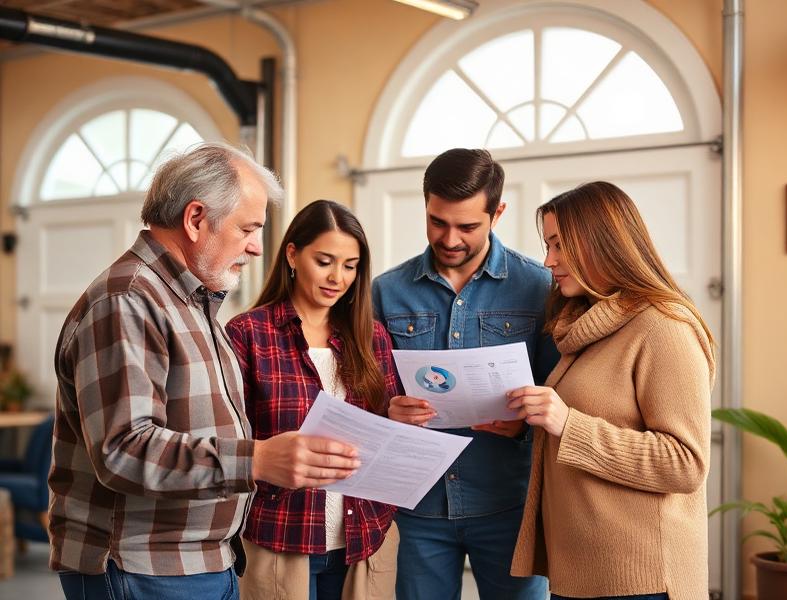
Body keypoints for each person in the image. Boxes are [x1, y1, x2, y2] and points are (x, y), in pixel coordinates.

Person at [49, 143, 362, 600]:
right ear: (196, 219)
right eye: (248, 229)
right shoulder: (129, 300)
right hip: (142, 568)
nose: (257, 247)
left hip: (200, 562)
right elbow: (122, 449)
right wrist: (256, 459)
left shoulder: (191, 301)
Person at [509, 181, 715, 600]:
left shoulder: (664, 326)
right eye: (547, 245)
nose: (548, 261)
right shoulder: (585, 327)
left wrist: (567, 424)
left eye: (559, 245)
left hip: (641, 580)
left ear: (602, 243)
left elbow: (685, 463)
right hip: (584, 574)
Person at [372, 148, 557, 600]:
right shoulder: (386, 291)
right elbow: (367, 391)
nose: (450, 238)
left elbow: (563, 392)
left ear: (498, 213)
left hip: (509, 506)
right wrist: (387, 408)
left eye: (467, 226)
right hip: (417, 509)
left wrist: (523, 428)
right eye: (437, 222)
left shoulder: (540, 286)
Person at [225, 200, 401, 600]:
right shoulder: (247, 334)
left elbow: (384, 434)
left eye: (350, 266)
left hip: (364, 538)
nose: (337, 277)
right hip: (279, 536)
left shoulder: (372, 337)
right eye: (324, 261)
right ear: (292, 253)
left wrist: (401, 420)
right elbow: (230, 443)